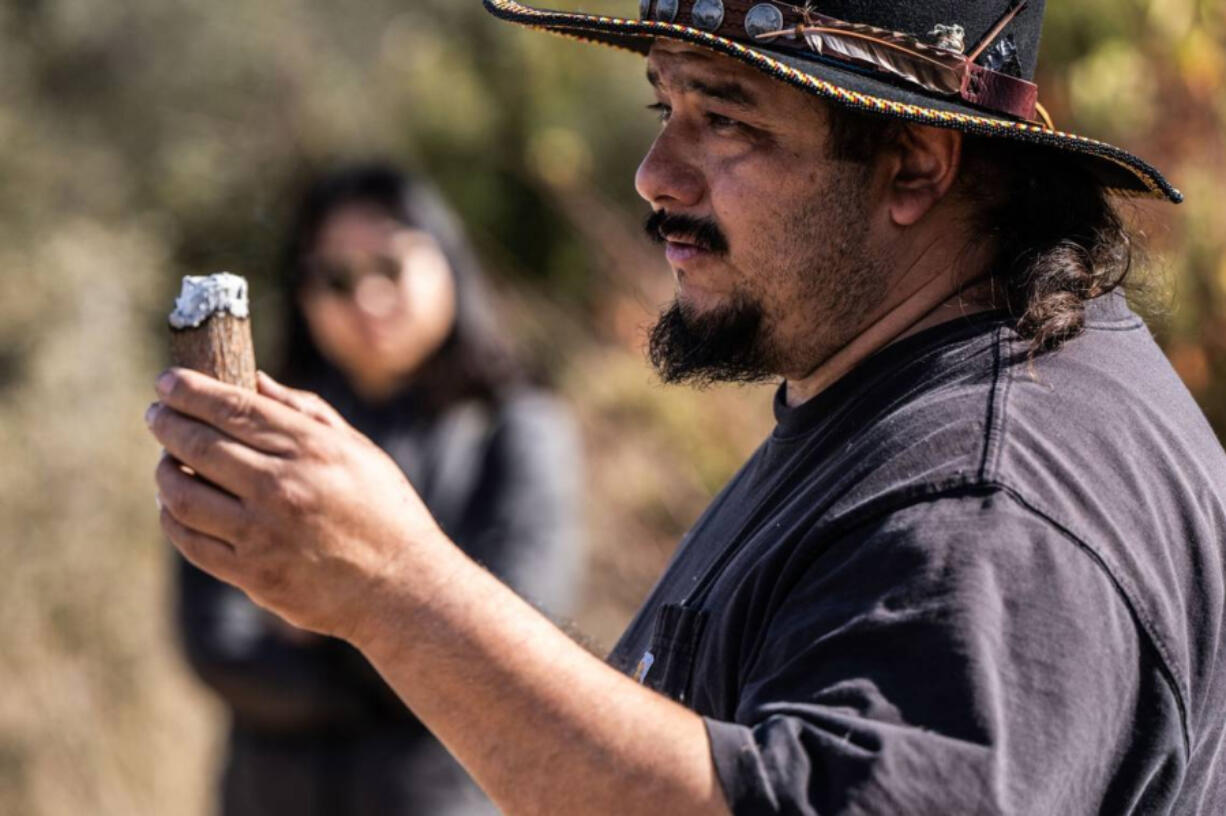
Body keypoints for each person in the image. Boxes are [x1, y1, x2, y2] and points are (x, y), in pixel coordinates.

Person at [148, 1, 1226, 813]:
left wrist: (392, 590)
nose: (653, 175)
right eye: (665, 106)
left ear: (912, 165)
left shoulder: (989, 508)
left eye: (726, 120)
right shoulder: (897, 394)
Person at [174, 163, 584, 816]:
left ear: (447, 260)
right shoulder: (265, 425)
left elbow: (522, 632)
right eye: (335, 278)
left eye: (390, 267)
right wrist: (401, 645)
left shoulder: (517, 427)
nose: (366, 299)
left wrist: (331, 625)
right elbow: (218, 645)